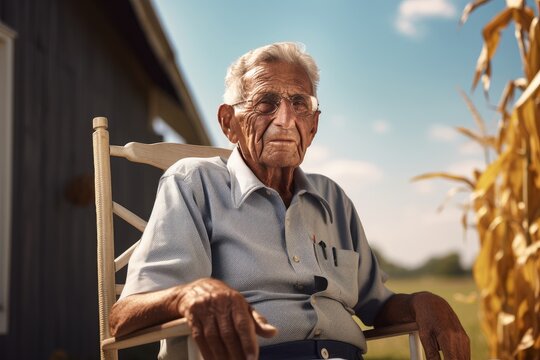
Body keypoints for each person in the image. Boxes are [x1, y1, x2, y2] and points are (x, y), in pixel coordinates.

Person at [109, 42, 470, 360]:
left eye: (299, 103)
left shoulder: (333, 199)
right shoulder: (194, 183)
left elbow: (377, 304)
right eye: (265, 103)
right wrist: (188, 295)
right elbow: (122, 317)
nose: (284, 119)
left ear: (312, 126)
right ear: (228, 122)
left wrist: (423, 300)